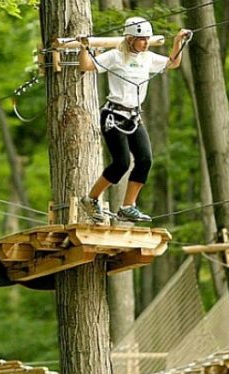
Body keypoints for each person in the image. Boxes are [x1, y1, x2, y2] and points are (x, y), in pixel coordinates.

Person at [76, 17, 191, 222]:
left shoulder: (147, 58)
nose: (146, 43)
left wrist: (178, 42)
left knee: (145, 160)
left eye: (147, 39)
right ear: (130, 39)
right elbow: (85, 65)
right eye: (141, 39)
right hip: (113, 116)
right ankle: (90, 199)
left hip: (134, 117)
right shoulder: (115, 56)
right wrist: (85, 46)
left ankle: (128, 206)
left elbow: (172, 63)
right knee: (121, 163)